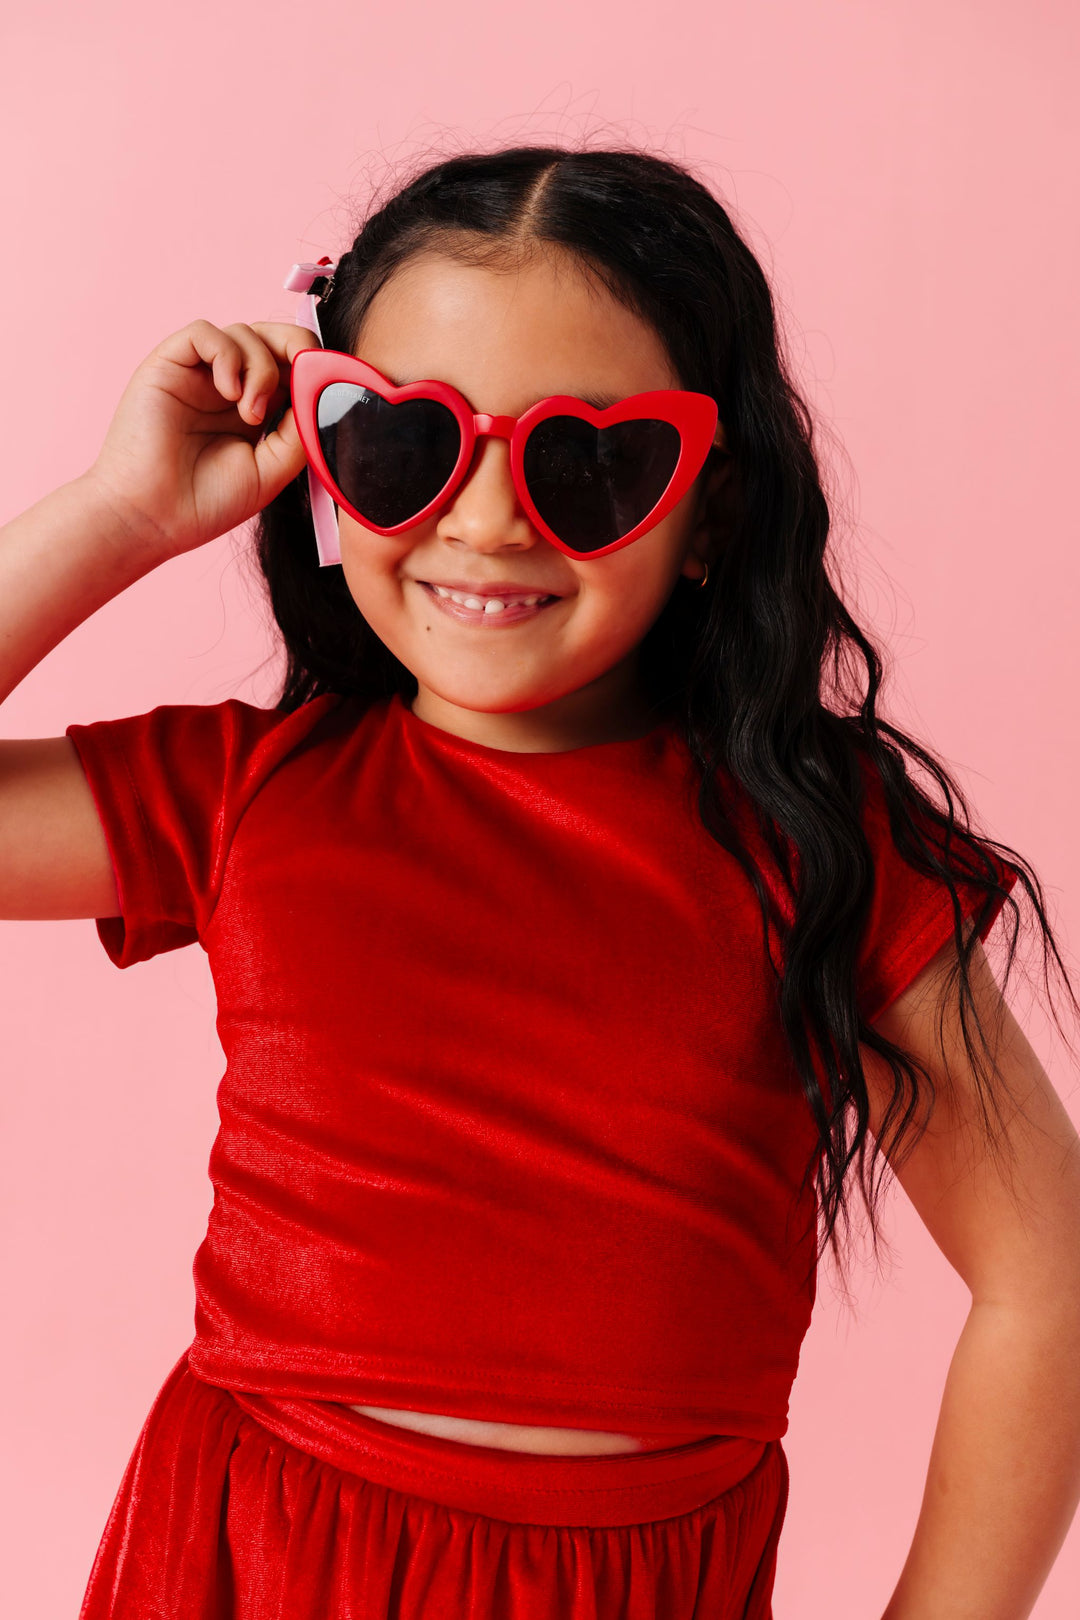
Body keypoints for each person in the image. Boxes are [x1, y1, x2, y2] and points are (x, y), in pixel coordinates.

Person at [2, 143, 1078, 1620]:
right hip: (255, 1562)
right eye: (405, 446)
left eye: (587, 463)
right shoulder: (249, 794)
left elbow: (1052, 1280)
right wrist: (123, 516)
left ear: (710, 510)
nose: (491, 520)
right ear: (324, 461)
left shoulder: (821, 843)